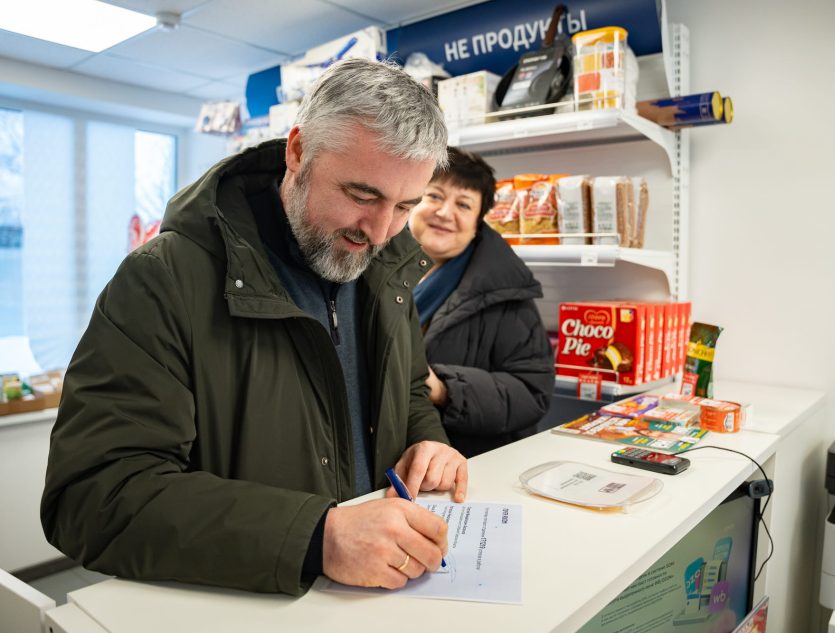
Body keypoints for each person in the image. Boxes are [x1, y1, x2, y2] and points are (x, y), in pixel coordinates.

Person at [40, 58, 467, 597]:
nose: (381, 230)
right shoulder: (165, 278)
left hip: (372, 597)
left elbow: (406, 390)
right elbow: (92, 497)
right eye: (361, 196)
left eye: (405, 205)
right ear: (297, 152)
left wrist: (430, 442)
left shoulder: (387, 266)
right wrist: (316, 537)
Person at [408, 147, 555, 457]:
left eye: (463, 204)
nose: (445, 213)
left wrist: (444, 388)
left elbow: (532, 393)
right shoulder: (366, 270)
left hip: (470, 466)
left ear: (478, 223)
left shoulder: (505, 291)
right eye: (434, 196)